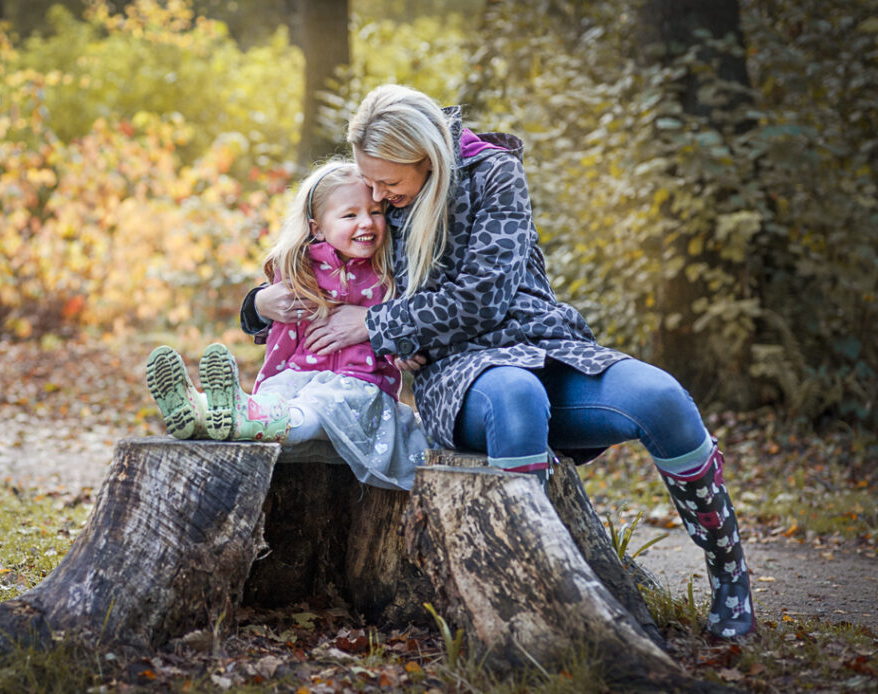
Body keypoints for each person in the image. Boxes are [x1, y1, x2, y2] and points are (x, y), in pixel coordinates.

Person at [241, 84, 754, 639]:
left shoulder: (494, 174)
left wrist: (384, 325)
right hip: (462, 372)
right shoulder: (380, 210)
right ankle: (534, 596)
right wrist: (256, 305)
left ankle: (730, 579)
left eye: (388, 183)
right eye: (371, 183)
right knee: (515, 396)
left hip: (547, 341)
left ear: (428, 157)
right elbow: (320, 266)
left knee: (662, 398)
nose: (380, 198)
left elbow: (484, 294)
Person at [147, 160, 431, 491]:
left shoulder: (391, 272)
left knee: (316, 408)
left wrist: (404, 349)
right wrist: (260, 304)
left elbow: (408, 325)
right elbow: (272, 327)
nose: (366, 223)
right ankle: (200, 411)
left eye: (375, 211)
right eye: (350, 215)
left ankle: (245, 417)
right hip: (299, 375)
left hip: (358, 386)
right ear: (318, 228)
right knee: (279, 393)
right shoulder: (299, 271)